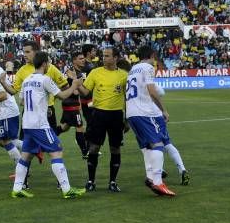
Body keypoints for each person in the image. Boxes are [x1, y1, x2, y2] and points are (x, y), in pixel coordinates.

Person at [10, 52, 86, 199]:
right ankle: (67, 189)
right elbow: (63, 95)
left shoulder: (26, 80)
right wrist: (75, 84)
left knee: (26, 156)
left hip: (27, 123)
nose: (49, 65)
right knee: (56, 151)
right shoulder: (45, 79)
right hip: (40, 124)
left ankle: (17, 188)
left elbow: (22, 102)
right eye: (49, 63)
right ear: (44, 64)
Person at [125, 45, 177, 197]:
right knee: (158, 144)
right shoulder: (147, 67)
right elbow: (151, 90)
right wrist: (163, 109)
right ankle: (158, 181)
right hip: (145, 112)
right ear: (152, 55)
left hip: (132, 113)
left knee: (147, 146)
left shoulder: (133, 70)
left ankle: (150, 178)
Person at [81, 47, 128, 192]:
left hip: (116, 115)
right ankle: (91, 181)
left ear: (116, 58)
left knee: (115, 148)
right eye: (103, 56)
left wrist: (127, 118)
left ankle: (112, 182)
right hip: (98, 114)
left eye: (107, 56)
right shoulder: (95, 72)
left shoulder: (124, 75)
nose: (104, 58)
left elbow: (129, 97)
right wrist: (75, 84)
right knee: (94, 148)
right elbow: (85, 92)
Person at [60, 50, 89, 158]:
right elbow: (71, 90)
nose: (83, 60)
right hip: (71, 104)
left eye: (83, 58)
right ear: (74, 60)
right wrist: (76, 84)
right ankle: (85, 152)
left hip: (71, 104)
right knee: (79, 127)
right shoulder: (70, 73)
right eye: (80, 59)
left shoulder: (78, 72)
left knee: (65, 127)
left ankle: (47, 137)